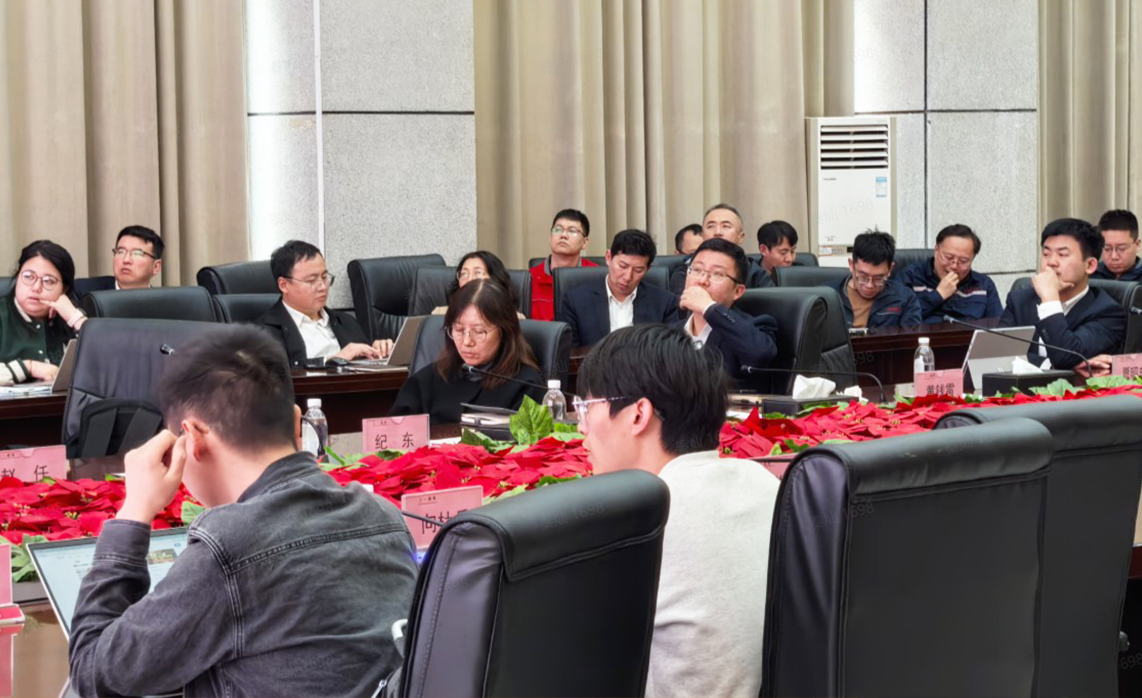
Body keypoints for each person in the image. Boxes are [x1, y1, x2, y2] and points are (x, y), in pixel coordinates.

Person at [68, 325, 418, 697]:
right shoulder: (385, 516)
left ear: (193, 438)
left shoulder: (227, 549)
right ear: (297, 423)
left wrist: (134, 512)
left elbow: (92, 672)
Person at [576, 323, 779, 698]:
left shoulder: (635, 525)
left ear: (638, 415)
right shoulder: (766, 484)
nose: (581, 428)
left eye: (587, 408)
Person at [392, 279, 546, 423]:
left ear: (505, 331)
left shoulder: (526, 386)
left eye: (478, 332)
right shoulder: (429, 378)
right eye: (459, 330)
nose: (466, 342)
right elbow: (396, 433)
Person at [1000, 218, 1126, 370]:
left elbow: (1065, 357)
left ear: (1090, 265)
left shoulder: (1108, 312)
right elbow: (997, 354)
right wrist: (1049, 365)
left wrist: (1049, 300)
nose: (1051, 262)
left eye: (1063, 254)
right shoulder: (1019, 300)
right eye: (1046, 254)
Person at [255, 240, 392, 368]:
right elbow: (278, 375)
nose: (322, 287)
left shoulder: (346, 322)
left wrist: (378, 352)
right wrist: (333, 360)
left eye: (324, 277)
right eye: (311, 280)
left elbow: (364, 365)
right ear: (284, 285)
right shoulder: (263, 334)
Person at [676, 238, 777, 387]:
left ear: (737, 291)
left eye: (717, 274)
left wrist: (709, 308)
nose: (702, 280)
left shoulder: (755, 327)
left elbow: (760, 355)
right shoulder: (670, 331)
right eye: (697, 270)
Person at [557, 229, 680, 346]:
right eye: (623, 266)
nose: (627, 277)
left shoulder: (665, 303)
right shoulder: (575, 301)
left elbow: (669, 351)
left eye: (638, 270)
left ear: (647, 269)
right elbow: (571, 354)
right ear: (608, 258)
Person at [0, 240, 86, 385]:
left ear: (64, 289)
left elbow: (110, 367)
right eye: (28, 276)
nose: (36, 287)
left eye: (48, 281)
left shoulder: (72, 317)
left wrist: (75, 317)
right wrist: (29, 368)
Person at [894, 224, 1003, 323]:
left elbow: (999, 327)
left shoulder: (984, 285)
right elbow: (896, 318)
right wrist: (938, 295)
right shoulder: (909, 276)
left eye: (963, 261)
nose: (954, 266)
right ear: (936, 251)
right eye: (949, 257)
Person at [668, 204, 773, 294]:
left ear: (740, 237)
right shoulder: (686, 272)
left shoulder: (757, 275)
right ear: (703, 236)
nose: (717, 232)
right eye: (711, 226)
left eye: (726, 226)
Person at [830, 230, 922, 328]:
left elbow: (911, 336)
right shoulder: (828, 297)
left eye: (878, 278)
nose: (870, 285)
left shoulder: (905, 299)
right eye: (863, 277)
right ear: (851, 265)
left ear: (890, 269)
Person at [529, 208, 599, 320]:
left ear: (584, 242)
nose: (563, 235)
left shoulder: (597, 278)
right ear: (550, 237)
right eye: (557, 230)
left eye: (572, 231)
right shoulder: (530, 278)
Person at [433, 250, 523, 318]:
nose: (469, 279)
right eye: (464, 274)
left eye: (478, 273)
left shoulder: (514, 319)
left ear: (495, 279)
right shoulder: (440, 314)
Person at [1092, 209, 1142, 281]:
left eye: (1122, 248)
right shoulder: (1089, 275)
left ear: (1137, 245)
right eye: (1107, 249)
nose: (1114, 257)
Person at [112, 225, 164, 290]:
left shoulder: (163, 296)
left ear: (156, 266)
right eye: (121, 252)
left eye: (137, 254)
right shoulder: (99, 292)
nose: (126, 260)